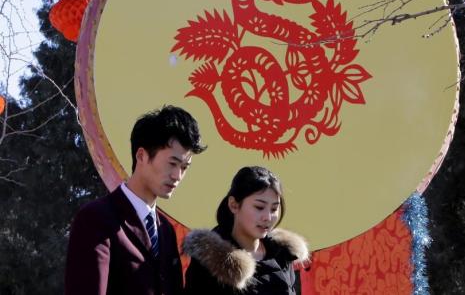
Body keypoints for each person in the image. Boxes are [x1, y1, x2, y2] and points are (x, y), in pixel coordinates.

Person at [65, 105, 206, 295]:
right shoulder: (96, 219)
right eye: (172, 163)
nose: (177, 175)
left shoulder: (166, 230)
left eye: (184, 167)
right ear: (142, 156)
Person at [183, 166, 309, 294]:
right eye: (259, 207)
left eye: (274, 209)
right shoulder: (211, 260)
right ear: (234, 205)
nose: (268, 217)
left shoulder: (282, 253)